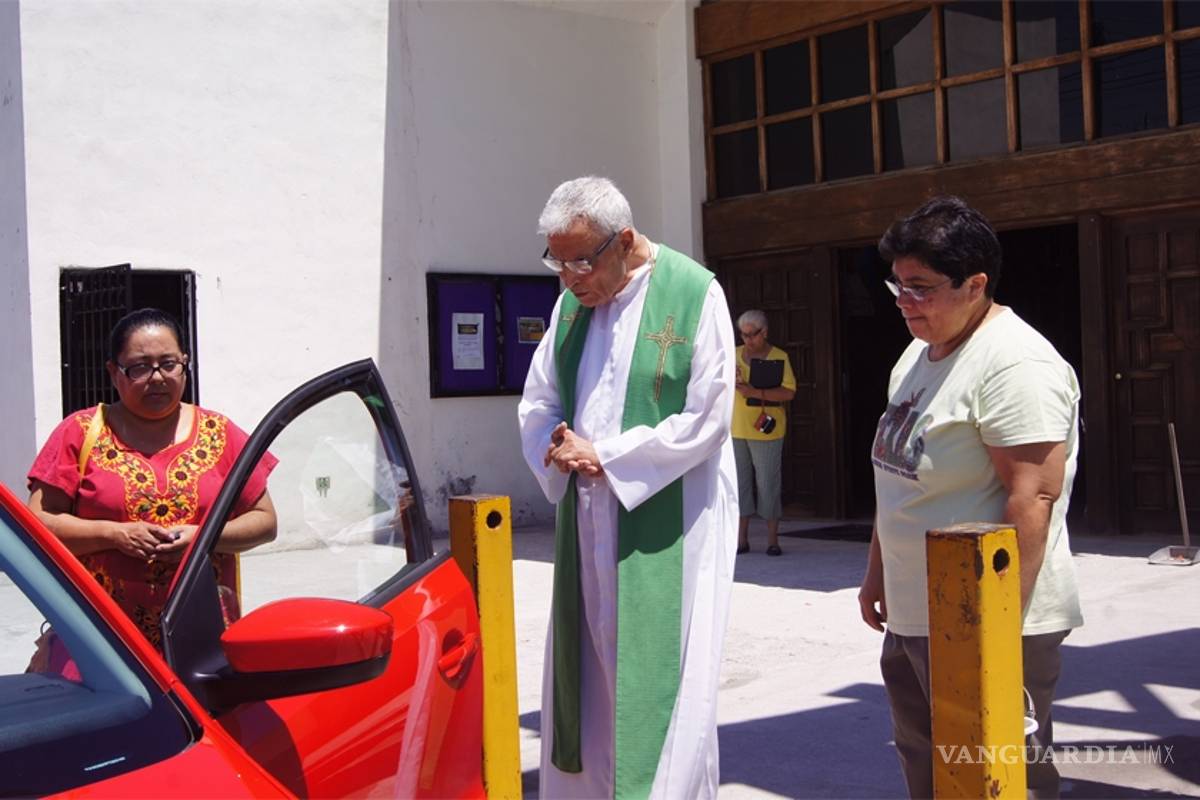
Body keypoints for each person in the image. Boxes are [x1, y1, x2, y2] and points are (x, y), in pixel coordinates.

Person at [518, 176, 738, 798]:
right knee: (588, 665)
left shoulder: (695, 295)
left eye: (581, 260)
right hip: (586, 517)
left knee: (664, 671)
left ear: (627, 242)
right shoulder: (570, 305)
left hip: (669, 516)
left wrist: (608, 457)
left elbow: (710, 415)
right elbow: (538, 400)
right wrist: (553, 447)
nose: (569, 277)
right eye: (556, 261)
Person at [857, 196, 1083, 799]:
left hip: (984, 616)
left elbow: (1033, 496)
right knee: (928, 767)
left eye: (921, 288)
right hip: (916, 611)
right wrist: (877, 571)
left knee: (997, 775)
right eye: (898, 285)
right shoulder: (915, 354)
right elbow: (897, 475)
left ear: (975, 283)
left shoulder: (1015, 363)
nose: (905, 302)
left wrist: (994, 626)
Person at [28, 308, 277, 654]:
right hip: (101, 641)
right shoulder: (81, 432)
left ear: (185, 364)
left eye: (169, 363)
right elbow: (37, 525)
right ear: (114, 373)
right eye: (140, 367)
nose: (157, 377)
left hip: (200, 638)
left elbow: (265, 522)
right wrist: (114, 534)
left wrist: (203, 538)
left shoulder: (220, 434)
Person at [732, 309, 796, 556]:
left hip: (767, 430)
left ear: (764, 332)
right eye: (744, 334)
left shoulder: (779, 357)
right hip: (736, 427)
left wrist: (753, 392)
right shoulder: (733, 354)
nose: (748, 340)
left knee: (768, 483)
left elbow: (789, 393)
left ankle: (772, 540)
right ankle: (741, 539)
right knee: (739, 484)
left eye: (752, 334)